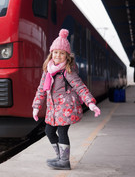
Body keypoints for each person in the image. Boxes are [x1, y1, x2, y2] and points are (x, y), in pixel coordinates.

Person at [32, 29, 101, 170]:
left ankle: (64, 161)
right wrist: (36, 106)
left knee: (62, 132)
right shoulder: (48, 70)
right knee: (49, 131)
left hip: (66, 108)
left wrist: (91, 103)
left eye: (62, 53)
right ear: (51, 53)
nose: (58, 55)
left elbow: (80, 87)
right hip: (53, 109)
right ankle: (60, 157)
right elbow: (41, 89)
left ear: (67, 56)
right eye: (56, 52)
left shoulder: (67, 71)